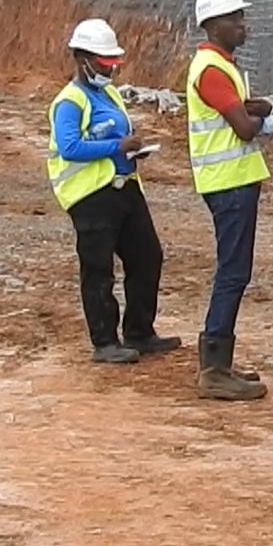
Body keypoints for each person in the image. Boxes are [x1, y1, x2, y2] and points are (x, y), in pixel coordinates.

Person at [45, 18, 179, 365]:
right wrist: (117, 146)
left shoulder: (110, 94)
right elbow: (69, 147)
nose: (111, 69)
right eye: (104, 63)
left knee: (147, 257)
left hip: (125, 190)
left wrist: (129, 151)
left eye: (113, 63)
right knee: (98, 269)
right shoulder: (70, 101)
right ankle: (104, 341)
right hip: (91, 196)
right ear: (81, 59)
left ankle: (139, 332)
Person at [186, 0, 273, 402]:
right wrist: (264, 121)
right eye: (233, 18)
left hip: (231, 182)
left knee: (233, 270)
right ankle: (214, 368)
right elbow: (242, 126)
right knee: (232, 272)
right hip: (229, 184)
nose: (242, 24)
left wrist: (258, 107)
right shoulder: (210, 69)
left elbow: (241, 107)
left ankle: (218, 362)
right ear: (211, 25)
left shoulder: (219, 65)